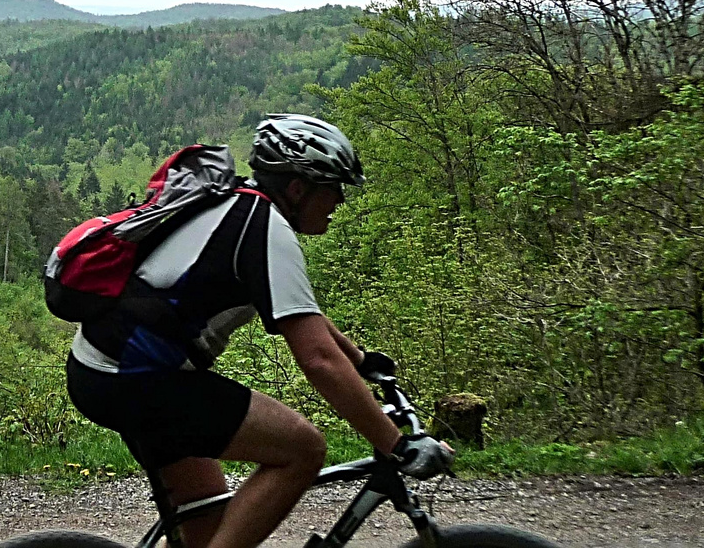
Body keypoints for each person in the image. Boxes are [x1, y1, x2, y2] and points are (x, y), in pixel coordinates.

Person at [65, 114, 453, 548]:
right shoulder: (265, 227)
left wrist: (362, 361)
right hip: (137, 381)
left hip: (106, 372)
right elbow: (318, 360)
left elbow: (304, 317)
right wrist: (397, 444)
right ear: (297, 188)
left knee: (210, 526)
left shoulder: (235, 204)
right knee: (302, 450)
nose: (340, 200)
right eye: (334, 187)